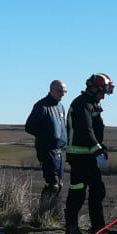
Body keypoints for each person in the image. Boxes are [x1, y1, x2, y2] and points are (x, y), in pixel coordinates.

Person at [64, 73, 114, 234]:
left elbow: (95, 131)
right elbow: (86, 131)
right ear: (95, 89)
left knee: (97, 191)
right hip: (79, 157)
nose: (104, 96)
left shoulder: (92, 104)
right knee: (77, 193)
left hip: (89, 156)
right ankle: (71, 231)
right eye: (103, 92)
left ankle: (99, 228)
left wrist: (99, 148)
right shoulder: (81, 104)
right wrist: (98, 149)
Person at [24, 80, 68, 218]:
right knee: (53, 184)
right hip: (46, 149)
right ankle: (40, 215)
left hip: (59, 150)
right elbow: (29, 126)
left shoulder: (61, 107)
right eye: (60, 91)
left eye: (64, 92)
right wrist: (47, 136)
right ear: (52, 90)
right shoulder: (41, 106)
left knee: (59, 185)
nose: (62, 94)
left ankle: (50, 215)